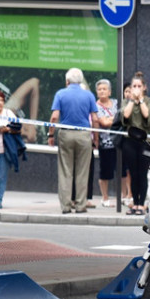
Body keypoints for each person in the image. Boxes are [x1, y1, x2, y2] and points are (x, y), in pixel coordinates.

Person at [48, 68, 97, 214]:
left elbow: (54, 117)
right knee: (82, 172)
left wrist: (50, 135)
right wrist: (96, 138)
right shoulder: (88, 95)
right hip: (83, 135)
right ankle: (81, 205)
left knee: (65, 171)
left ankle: (66, 206)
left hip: (66, 134)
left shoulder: (61, 94)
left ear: (67, 81)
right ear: (80, 80)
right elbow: (95, 119)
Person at [121, 75, 150, 215]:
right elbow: (125, 116)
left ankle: (142, 204)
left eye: (138, 86)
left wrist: (140, 100)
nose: (136, 89)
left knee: (142, 173)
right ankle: (135, 203)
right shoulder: (127, 101)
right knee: (133, 173)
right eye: (133, 86)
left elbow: (148, 116)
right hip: (130, 141)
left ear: (144, 87)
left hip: (145, 142)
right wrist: (132, 100)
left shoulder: (149, 101)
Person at [94, 79, 118, 207]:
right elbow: (104, 123)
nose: (102, 91)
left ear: (109, 91)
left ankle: (126, 196)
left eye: (104, 89)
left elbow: (123, 117)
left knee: (123, 171)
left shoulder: (116, 102)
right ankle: (105, 198)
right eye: (99, 89)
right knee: (105, 171)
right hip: (105, 143)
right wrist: (114, 118)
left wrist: (110, 119)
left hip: (119, 143)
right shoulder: (95, 106)